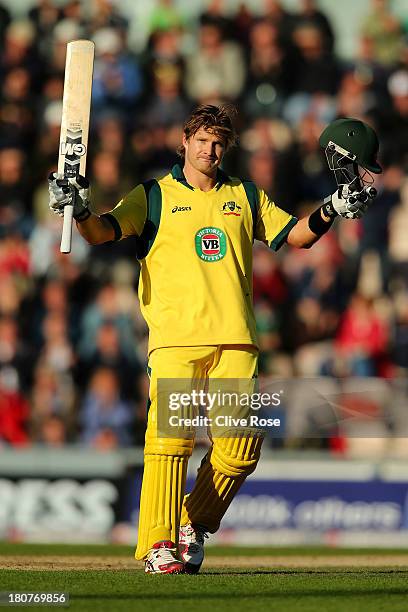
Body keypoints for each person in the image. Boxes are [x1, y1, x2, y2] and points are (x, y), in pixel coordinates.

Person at [48, 104, 380, 574]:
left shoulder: (243, 194)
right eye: (202, 140)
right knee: (171, 440)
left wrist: (333, 208)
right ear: (184, 141)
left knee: (241, 446)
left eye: (219, 142)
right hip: (177, 338)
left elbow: (295, 235)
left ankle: (193, 523)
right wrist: (79, 209)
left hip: (236, 338)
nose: (211, 149)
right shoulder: (153, 196)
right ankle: (159, 542)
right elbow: (101, 232)